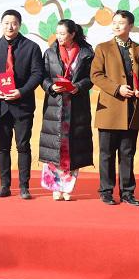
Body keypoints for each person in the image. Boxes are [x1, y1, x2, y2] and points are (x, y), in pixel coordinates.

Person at [90, 10, 139, 206]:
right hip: (109, 109)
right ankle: (106, 191)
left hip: (132, 110)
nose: (117, 25)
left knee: (127, 153)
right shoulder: (102, 48)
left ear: (131, 26)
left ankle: (127, 192)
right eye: (114, 22)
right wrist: (117, 88)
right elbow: (96, 75)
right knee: (107, 154)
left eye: (121, 22)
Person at [0, 9, 44, 199]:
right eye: (6, 23)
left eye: (14, 23)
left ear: (19, 25)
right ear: (1, 24)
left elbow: (37, 74)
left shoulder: (32, 47)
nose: (10, 27)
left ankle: (24, 187)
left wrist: (22, 91)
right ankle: (4, 185)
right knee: (3, 146)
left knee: (23, 146)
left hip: (23, 105)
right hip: (1, 105)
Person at [38, 19, 94, 201]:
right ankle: (55, 187)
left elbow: (92, 77)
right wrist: (50, 86)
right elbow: (42, 76)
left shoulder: (86, 53)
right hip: (55, 105)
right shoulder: (50, 52)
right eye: (57, 33)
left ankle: (68, 188)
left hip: (76, 106)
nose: (59, 37)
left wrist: (78, 86)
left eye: (63, 33)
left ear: (72, 34)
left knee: (73, 146)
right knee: (55, 144)